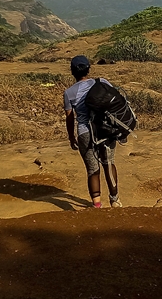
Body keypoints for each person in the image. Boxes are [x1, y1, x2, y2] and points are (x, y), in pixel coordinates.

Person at [63, 55, 121, 208]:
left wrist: (71, 137)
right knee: (108, 164)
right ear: (89, 69)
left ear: (72, 72)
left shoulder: (69, 93)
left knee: (92, 169)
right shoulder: (101, 82)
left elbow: (70, 118)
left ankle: (97, 204)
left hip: (84, 132)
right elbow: (116, 101)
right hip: (105, 129)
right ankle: (114, 200)